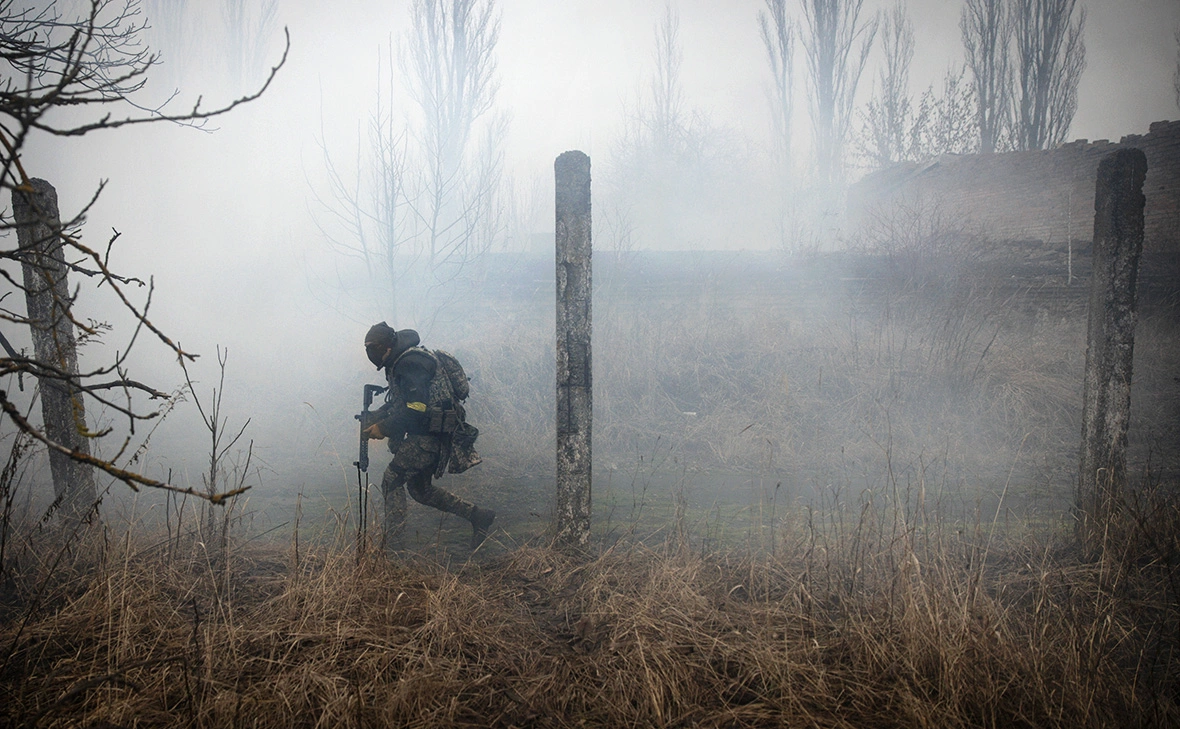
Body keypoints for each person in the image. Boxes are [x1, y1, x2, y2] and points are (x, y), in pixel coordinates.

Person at [361, 322, 495, 550]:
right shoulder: (401, 360)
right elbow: (401, 402)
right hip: (426, 432)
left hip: (428, 436)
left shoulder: (410, 363)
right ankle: (478, 516)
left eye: (375, 349)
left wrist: (383, 428)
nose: (372, 355)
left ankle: (393, 548)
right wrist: (378, 415)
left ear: (388, 346)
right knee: (420, 490)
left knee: (392, 480)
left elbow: (416, 407)